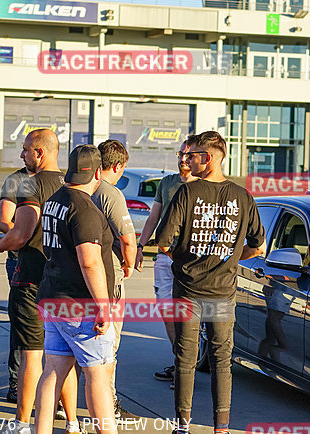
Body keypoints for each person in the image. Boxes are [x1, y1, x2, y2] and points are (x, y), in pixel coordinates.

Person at [155, 131, 265, 434]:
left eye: (195, 156)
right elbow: (258, 246)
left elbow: (163, 242)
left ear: (212, 158)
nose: (188, 161)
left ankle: (183, 425)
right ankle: (221, 428)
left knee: (185, 359)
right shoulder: (243, 196)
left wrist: (183, 257)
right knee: (221, 361)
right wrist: (227, 257)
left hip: (188, 290)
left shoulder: (187, 193)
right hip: (222, 292)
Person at [0, 129, 82, 434]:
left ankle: (20, 424)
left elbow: (19, 233)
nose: (22, 155)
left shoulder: (31, 184)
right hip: (64, 285)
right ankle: (72, 422)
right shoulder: (73, 185)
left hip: (31, 282)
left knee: (32, 356)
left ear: (40, 153)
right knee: (63, 355)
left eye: (26, 150)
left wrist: (2, 243)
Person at [33, 145, 118, 434]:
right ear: (97, 172)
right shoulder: (85, 208)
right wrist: (103, 307)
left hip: (53, 297)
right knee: (97, 372)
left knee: (53, 369)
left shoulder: (55, 200)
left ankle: (41, 429)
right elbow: (90, 262)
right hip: (80, 305)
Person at [134, 140, 197, 387]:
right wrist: (140, 246)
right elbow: (153, 217)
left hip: (190, 260)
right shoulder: (167, 183)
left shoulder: (205, 186)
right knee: (167, 311)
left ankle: (186, 367)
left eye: (188, 155)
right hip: (163, 257)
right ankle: (179, 361)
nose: (182, 159)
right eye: (180, 154)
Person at [90, 140, 139, 423]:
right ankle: (109, 406)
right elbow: (127, 238)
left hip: (80, 277)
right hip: (109, 279)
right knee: (109, 347)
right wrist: (129, 264)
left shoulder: (82, 189)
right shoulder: (111, 193)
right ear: (118, 166)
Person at [0, 166, 32, 403]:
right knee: (22, 325)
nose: (22, 155)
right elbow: (3, 223)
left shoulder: (55, 179)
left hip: (48, 262)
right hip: (20, 260)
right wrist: (27, 238)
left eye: (26, 150)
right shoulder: (16, 180)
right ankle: (16, 384)